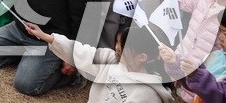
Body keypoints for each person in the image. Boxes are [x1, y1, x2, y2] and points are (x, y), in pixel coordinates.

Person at [24, 22, 170, 103]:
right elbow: (81, 52)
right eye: (118, 42)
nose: (117, 48)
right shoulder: (111, 59)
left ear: (142, 57)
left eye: (123, 46)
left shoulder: (148, 93)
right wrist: (47, 37)